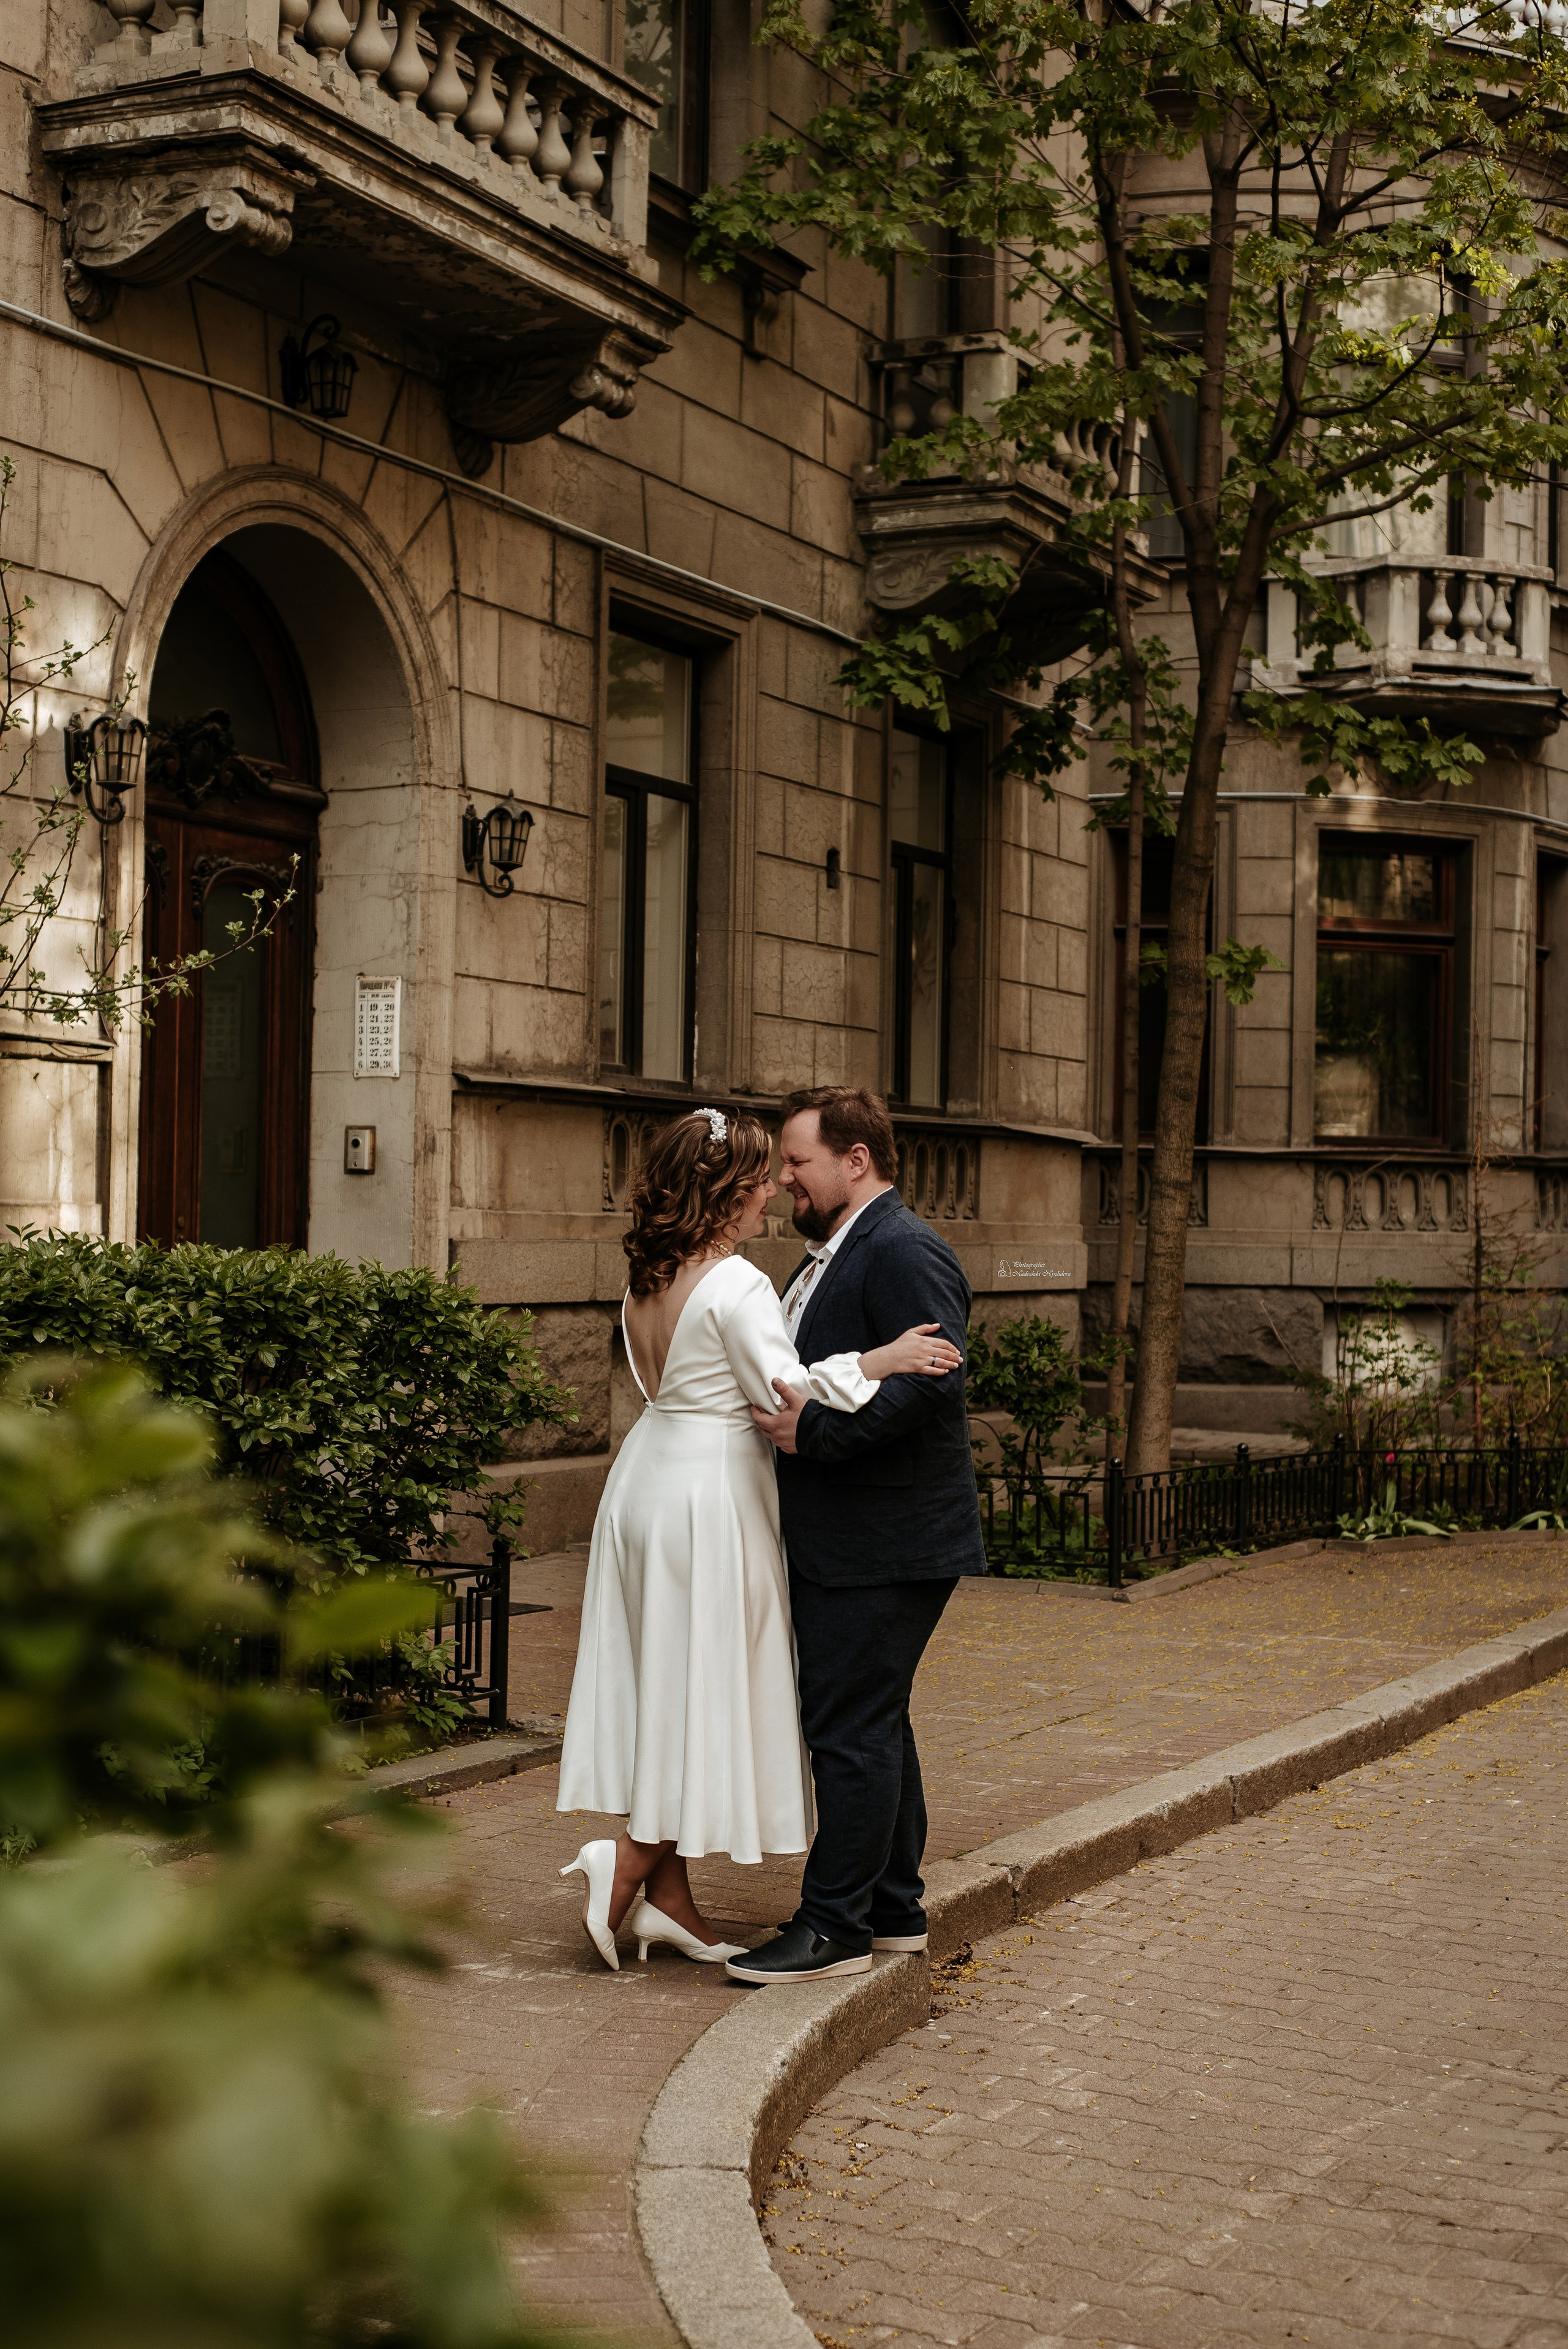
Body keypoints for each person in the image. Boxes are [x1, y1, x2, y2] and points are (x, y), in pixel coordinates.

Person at [555, 1106, 960, 1971]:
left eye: (787, 1167)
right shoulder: (734, 1281)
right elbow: (788, 1394)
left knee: (670, 1683)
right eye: (760, 1178)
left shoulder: (648, 1279)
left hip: (647, 1482)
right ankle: (628, 1858)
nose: (773, 1190)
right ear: (724, 1191)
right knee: (706, 1687)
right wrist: (880, 1361)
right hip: (710, 1496)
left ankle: (672, 1900)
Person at [725, 1085, 985, 1987]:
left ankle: (833, 1929)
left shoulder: (902, 1248)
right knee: (871, 1721)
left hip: (890, 1540)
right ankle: (893, 1910)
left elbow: (934, 1381)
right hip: (855, 1537)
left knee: (848, 1729)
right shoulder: (827, 1255)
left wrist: (817, 1436)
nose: (786, 1180)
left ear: (855, 1161)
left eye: (797, 1163)